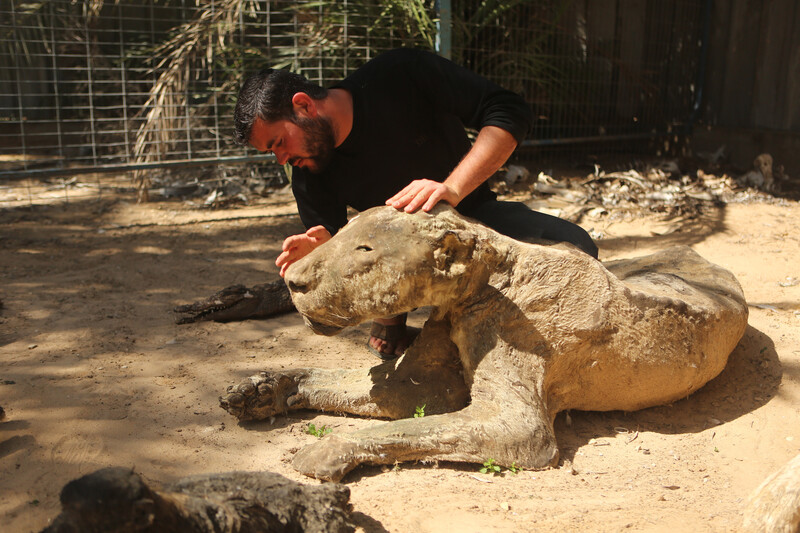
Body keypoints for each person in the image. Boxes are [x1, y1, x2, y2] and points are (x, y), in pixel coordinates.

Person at [233, 48, 598, 358]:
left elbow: (508, 110)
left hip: (474, 220)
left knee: (578, 250)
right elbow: (332, 240)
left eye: (278, 142)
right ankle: (396, 316)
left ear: (303, 106)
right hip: (399, 258)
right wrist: (317, 248)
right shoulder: (310, 166)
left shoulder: (402, 75)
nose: (280, 159)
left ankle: (444, 318)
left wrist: (451, 188)